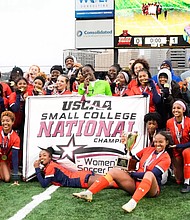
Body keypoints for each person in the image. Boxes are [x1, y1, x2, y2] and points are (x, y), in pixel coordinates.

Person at [73, 131, 171, 213]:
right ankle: (89, 192)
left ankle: (132, 203)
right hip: (136, 184)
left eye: (160, 142)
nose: (157, 144)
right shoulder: (148, 150)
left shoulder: (166, 158)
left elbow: (154, 173)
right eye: (156, 142)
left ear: (166, 142)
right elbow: (132, 159)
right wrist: (126, 155)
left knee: (149, 174)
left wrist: (132, 173)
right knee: (114, 171)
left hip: (151, 189)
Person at [34, 147, 118, 189]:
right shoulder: (51, 165)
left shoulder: (50, 167)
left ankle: (130, 186)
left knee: (111, 183)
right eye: (40, 156)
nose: (41, 157)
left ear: (50, 158)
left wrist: (37, 168)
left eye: (44, 155)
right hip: (79, 175)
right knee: (110, 178)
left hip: (77, 179)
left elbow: (44, 184)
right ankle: (128, 179)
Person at [166, 100, 190, 192]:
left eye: (178, 108)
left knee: (186, 152)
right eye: (174, 108)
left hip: (187, 147)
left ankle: (187, 183)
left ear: (183, 110)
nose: (176, 110)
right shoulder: (169, 122)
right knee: (178, 180)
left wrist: (178, 145)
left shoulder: (189, 121)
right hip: (176, 149)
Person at [0, 111, 20, 185]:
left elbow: (15, 158)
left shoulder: (16, 138)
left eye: (8, 121)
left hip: (3, 159)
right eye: (3, 121)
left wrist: (15, 178)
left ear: (13, 122)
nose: (5, 123)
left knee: (7, 179)